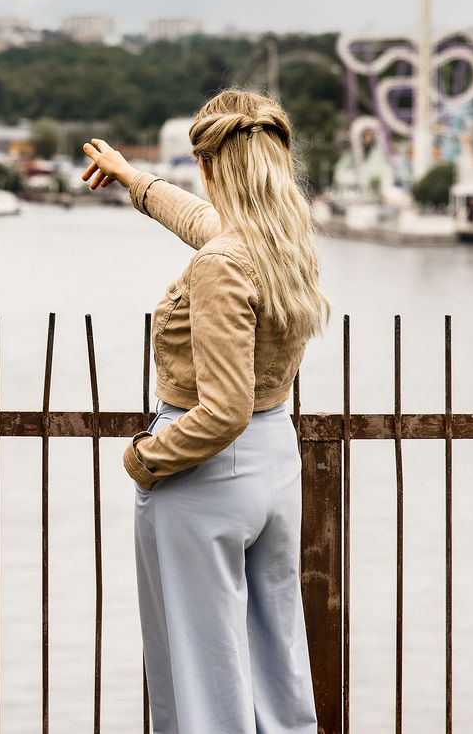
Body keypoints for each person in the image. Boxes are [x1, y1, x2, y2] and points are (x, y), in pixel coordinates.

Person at [81, 89, 327, 734]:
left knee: (200, 668)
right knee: (278, 659)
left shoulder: (221, 263)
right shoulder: (283, 239)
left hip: (207, 469)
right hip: (276, 461)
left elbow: (222, 410)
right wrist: (136, 181)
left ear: (215, 167)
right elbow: (200, 221)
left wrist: (144, 458)